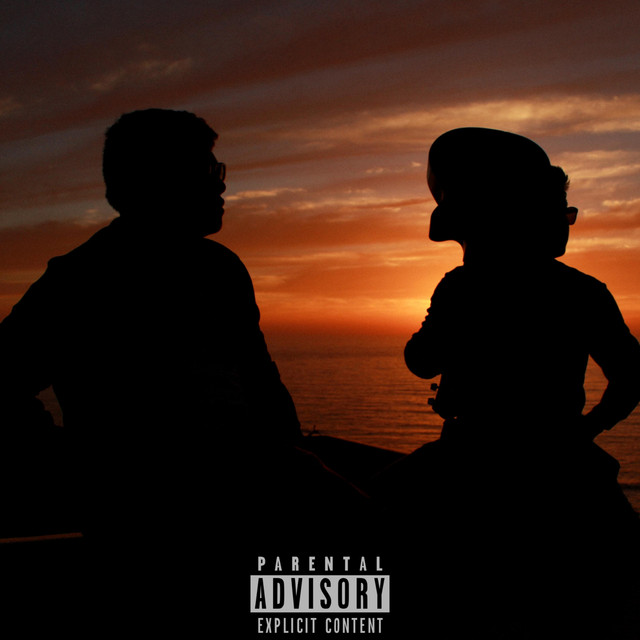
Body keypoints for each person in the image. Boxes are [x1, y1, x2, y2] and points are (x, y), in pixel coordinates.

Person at [0, 109, 369, 624]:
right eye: (206, 171)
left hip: (254, 493)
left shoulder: (220, 269)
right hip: (153, 523)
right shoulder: (79, 282)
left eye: (219, 170)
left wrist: (294, 461)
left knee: (363, 575)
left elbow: (261, 382)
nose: (221, 185)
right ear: (156, 181)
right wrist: (75, 465)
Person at [369, 128, 640, 637]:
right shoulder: (583, 291)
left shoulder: (460, 287)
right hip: (563, 465)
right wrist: (584, 431)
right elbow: (631, 376)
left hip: (470, 459)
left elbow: (421, 361)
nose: (565, 224)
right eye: (559, 212)